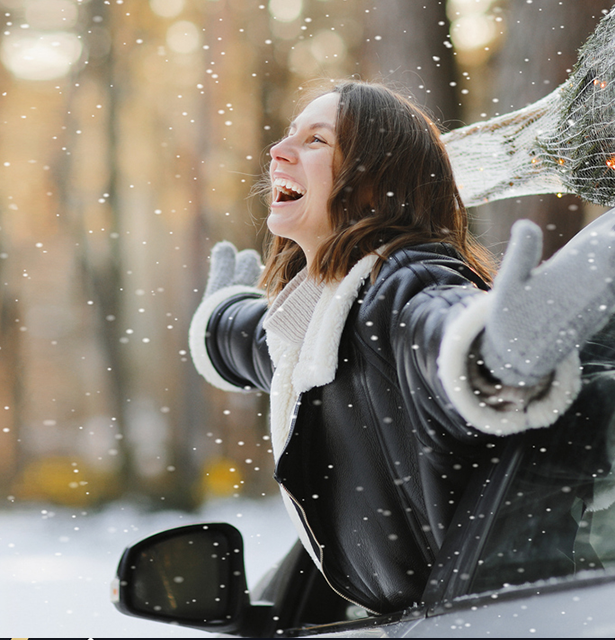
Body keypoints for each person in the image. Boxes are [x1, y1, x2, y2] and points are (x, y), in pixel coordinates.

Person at [190, 80, 615, 614]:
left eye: (317, 141)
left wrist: (497, 352)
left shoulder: (403, 282)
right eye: (287, 135)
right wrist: (217, 320)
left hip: (502, 616)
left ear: (374, 186)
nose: (278, 150)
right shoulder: (322, 312)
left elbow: (440, 331)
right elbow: (262, 342)